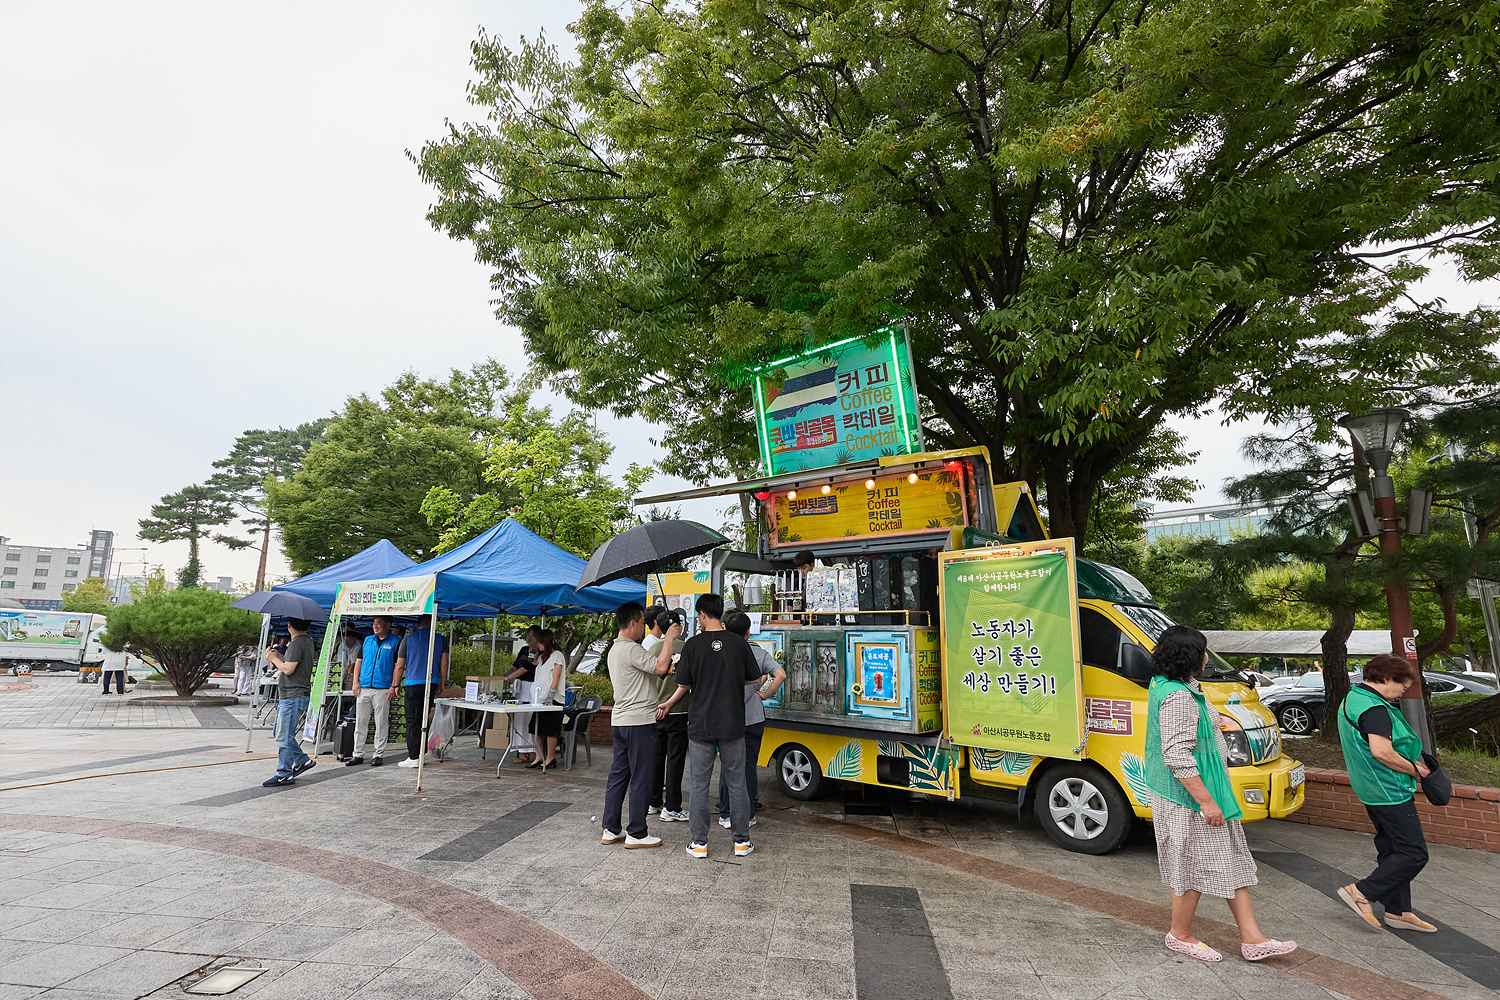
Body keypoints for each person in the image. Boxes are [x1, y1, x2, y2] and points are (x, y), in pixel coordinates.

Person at [1144, 625, 1295, 962]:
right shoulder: (1178, 696)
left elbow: (1198, 720)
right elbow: (1176, 755)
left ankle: (1252, 938)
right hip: (1189, 798)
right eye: (1203, 652)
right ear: (1191, 657)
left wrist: (1215, 725)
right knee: (1192, 866)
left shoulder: (1174, 685)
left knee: (1230, 861)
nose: (1206, 658)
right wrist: (1206, 802)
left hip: (1207, 791)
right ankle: (1179, 935)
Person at [1336, 653, 1437, 933]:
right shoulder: (1374, 708)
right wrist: (1418, 771)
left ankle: (1398, 911)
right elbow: (1382, 751)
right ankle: (1361, 892)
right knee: (1414, 853)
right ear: (1388, 678)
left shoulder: (1353, 699)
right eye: (1402, 684)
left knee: (1392, 850)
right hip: (1388, 789)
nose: (1404, 690)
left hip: (1370, 787)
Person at [657, 593, 762, 860]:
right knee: (737, 783)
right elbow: (755, 678)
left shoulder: (692, 645)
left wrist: (668, 703)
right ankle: (741, 842)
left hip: (701, 724)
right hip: (732, 723)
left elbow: (684, 685)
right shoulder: (739, 644)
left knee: (700, 784)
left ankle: (699, 843)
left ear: (702, 615)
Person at [602, 603, 680, 848]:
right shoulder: (630, 649)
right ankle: (637, 832)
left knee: (619, 776)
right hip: (639, 722)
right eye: (641, 623)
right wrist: (669, 638)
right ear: (634, 622)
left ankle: (610, 828)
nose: (643, 629)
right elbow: (658, 667)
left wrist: (666, 668)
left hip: (621, 721)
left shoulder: (616, 650)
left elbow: (653, 672)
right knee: (641, 776)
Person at [719, 610, 785, 827]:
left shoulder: (719, 651)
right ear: (748, 632)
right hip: (754, 718)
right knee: (748, 766)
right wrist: (764, 693)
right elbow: (781, 674)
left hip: (727, 718)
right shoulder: (757, 652)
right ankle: (747, 815)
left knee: (728, 765)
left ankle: (726, 813)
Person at [262, 617, 318, 787]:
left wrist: (273, 658)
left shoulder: (297, 643)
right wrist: (278, 656)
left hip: (293, 695)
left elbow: (288, 668)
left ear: (289, 626)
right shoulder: (307, 642)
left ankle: (284, 773)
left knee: (284, 736)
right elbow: (291, 663)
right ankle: (302, 760)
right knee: (282, 733)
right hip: (295, 694)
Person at [646, 607, 690, 822]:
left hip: (655, 710)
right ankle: (672, 806)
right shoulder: (686, 648)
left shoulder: (652, 649)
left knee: (656, 758)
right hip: (679, 710)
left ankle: (653, 802)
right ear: (677, 627)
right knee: (675, 760)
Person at [394, 621, 449, 769]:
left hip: (413, 683)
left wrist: (395, 684)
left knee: (413, 720)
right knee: (424, 718)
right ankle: (421, 753)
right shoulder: (441, 639)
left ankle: (414, 756)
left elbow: (399, 665)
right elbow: (444, 663)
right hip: (432, 682)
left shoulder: (408, 639)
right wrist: (442, 683)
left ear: (417, 624)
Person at [347, 617, 401, 767]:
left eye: (379, 623)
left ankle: (378, 754)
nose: (376, 626)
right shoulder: (367, 640)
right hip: (364, 687)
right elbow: (359, 662)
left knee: (381, 723)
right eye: (374, 623)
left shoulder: (395, 641)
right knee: (360, 722)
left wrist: (394, 685)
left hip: (383, 689)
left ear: (387, 625)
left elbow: (398, 665)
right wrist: (355, 682)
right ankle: (357, 754)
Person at [527, 629, 568, 771]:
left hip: (554, 699)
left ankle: (551, 757)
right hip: (539, 699)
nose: (537, 645)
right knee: (534, 728)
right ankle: (539, 756)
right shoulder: (540, 658)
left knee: (551, 730)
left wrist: (550, 694)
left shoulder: (557, 656)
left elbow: (556, 677)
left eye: (539, 642)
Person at [500, 631, 539, 763]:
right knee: (518, 718)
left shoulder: (538, 651)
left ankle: (532, 751)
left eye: (530, 635)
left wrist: (509, 677)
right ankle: (521, 752)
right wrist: (503, 676)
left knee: (528, 718)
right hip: (519, 687)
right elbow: (516, 666)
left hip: (530, 687)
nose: (528, 638)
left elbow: (526, 668)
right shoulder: (524, 649)